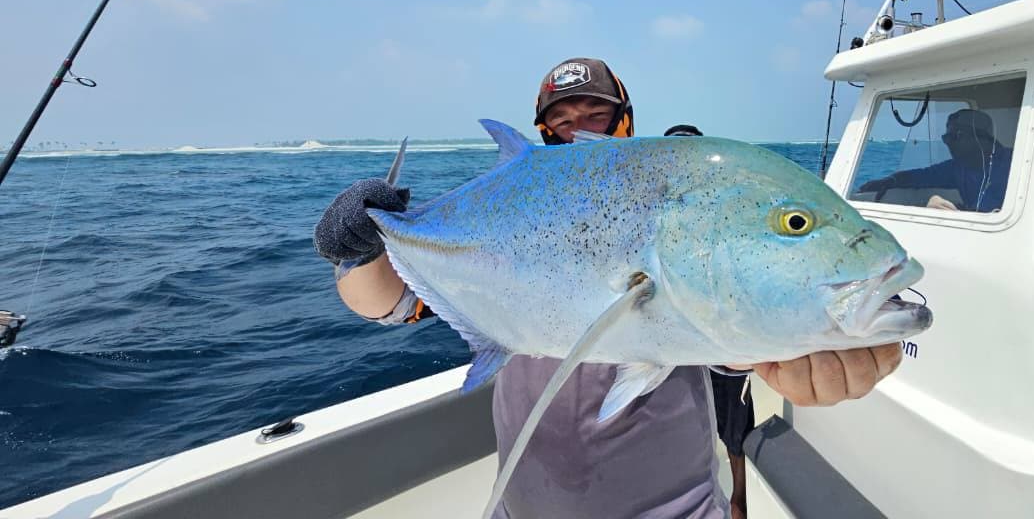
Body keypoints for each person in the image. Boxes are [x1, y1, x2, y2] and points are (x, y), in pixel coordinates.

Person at [315, 57, 903, 518]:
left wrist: (815, 349)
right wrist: (363, 247)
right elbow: (386, 305)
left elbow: (744, 346)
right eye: (560, 121)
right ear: (541, 132)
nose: (576, 132)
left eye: (592, 116)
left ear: (625, 118)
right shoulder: (510, 215)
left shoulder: (672, 207)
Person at [664, 123, 754, 519]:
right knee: (689, 426)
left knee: (736, 428)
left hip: (722, 342)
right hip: (678, 342)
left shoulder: (727, 205)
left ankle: (739, 500)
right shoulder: (661, 206)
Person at [858, 108, 1012, 213]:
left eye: (954, 136)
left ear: (980, 137)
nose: (948, 143)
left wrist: (941, 207)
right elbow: (920, 176)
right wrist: (889, 180)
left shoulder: (1012, 165)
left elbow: (992, 213)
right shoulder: (958, 167)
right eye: (946, 138)